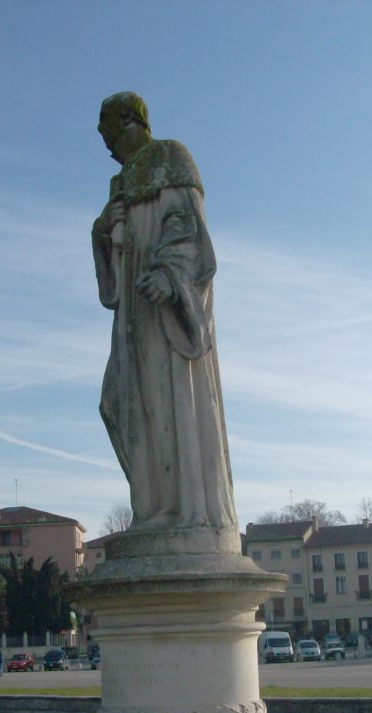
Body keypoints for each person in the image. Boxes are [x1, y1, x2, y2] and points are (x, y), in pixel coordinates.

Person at [93, 92, 237, 532]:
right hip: (131, 314)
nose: (105, 143)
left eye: (108, 130)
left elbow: (188, 226)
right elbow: (110, 261)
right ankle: (151, 506)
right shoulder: (119, 183)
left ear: (131, 121)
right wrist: (102, 231)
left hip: (165, 309)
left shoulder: (170, 157)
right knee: (118, 402)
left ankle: (181, 510)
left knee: (167, 399)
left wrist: (170, 276)